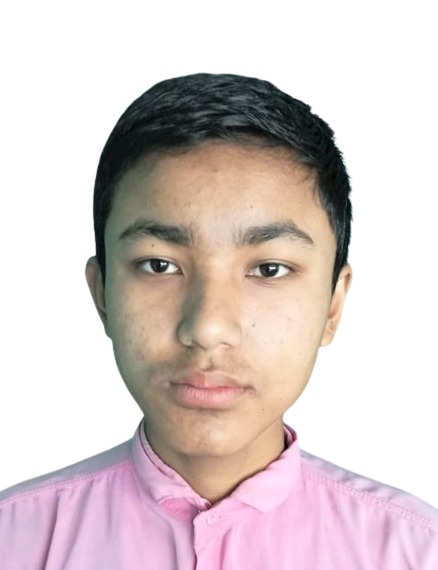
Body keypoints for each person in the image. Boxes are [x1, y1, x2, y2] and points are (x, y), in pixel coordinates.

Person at [0, 73, 437, 569]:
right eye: (159, 265)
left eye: (269, 269)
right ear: (102, 294)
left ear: (332, 306)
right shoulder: (15, 543)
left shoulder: (418, 552)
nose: (208, 328)